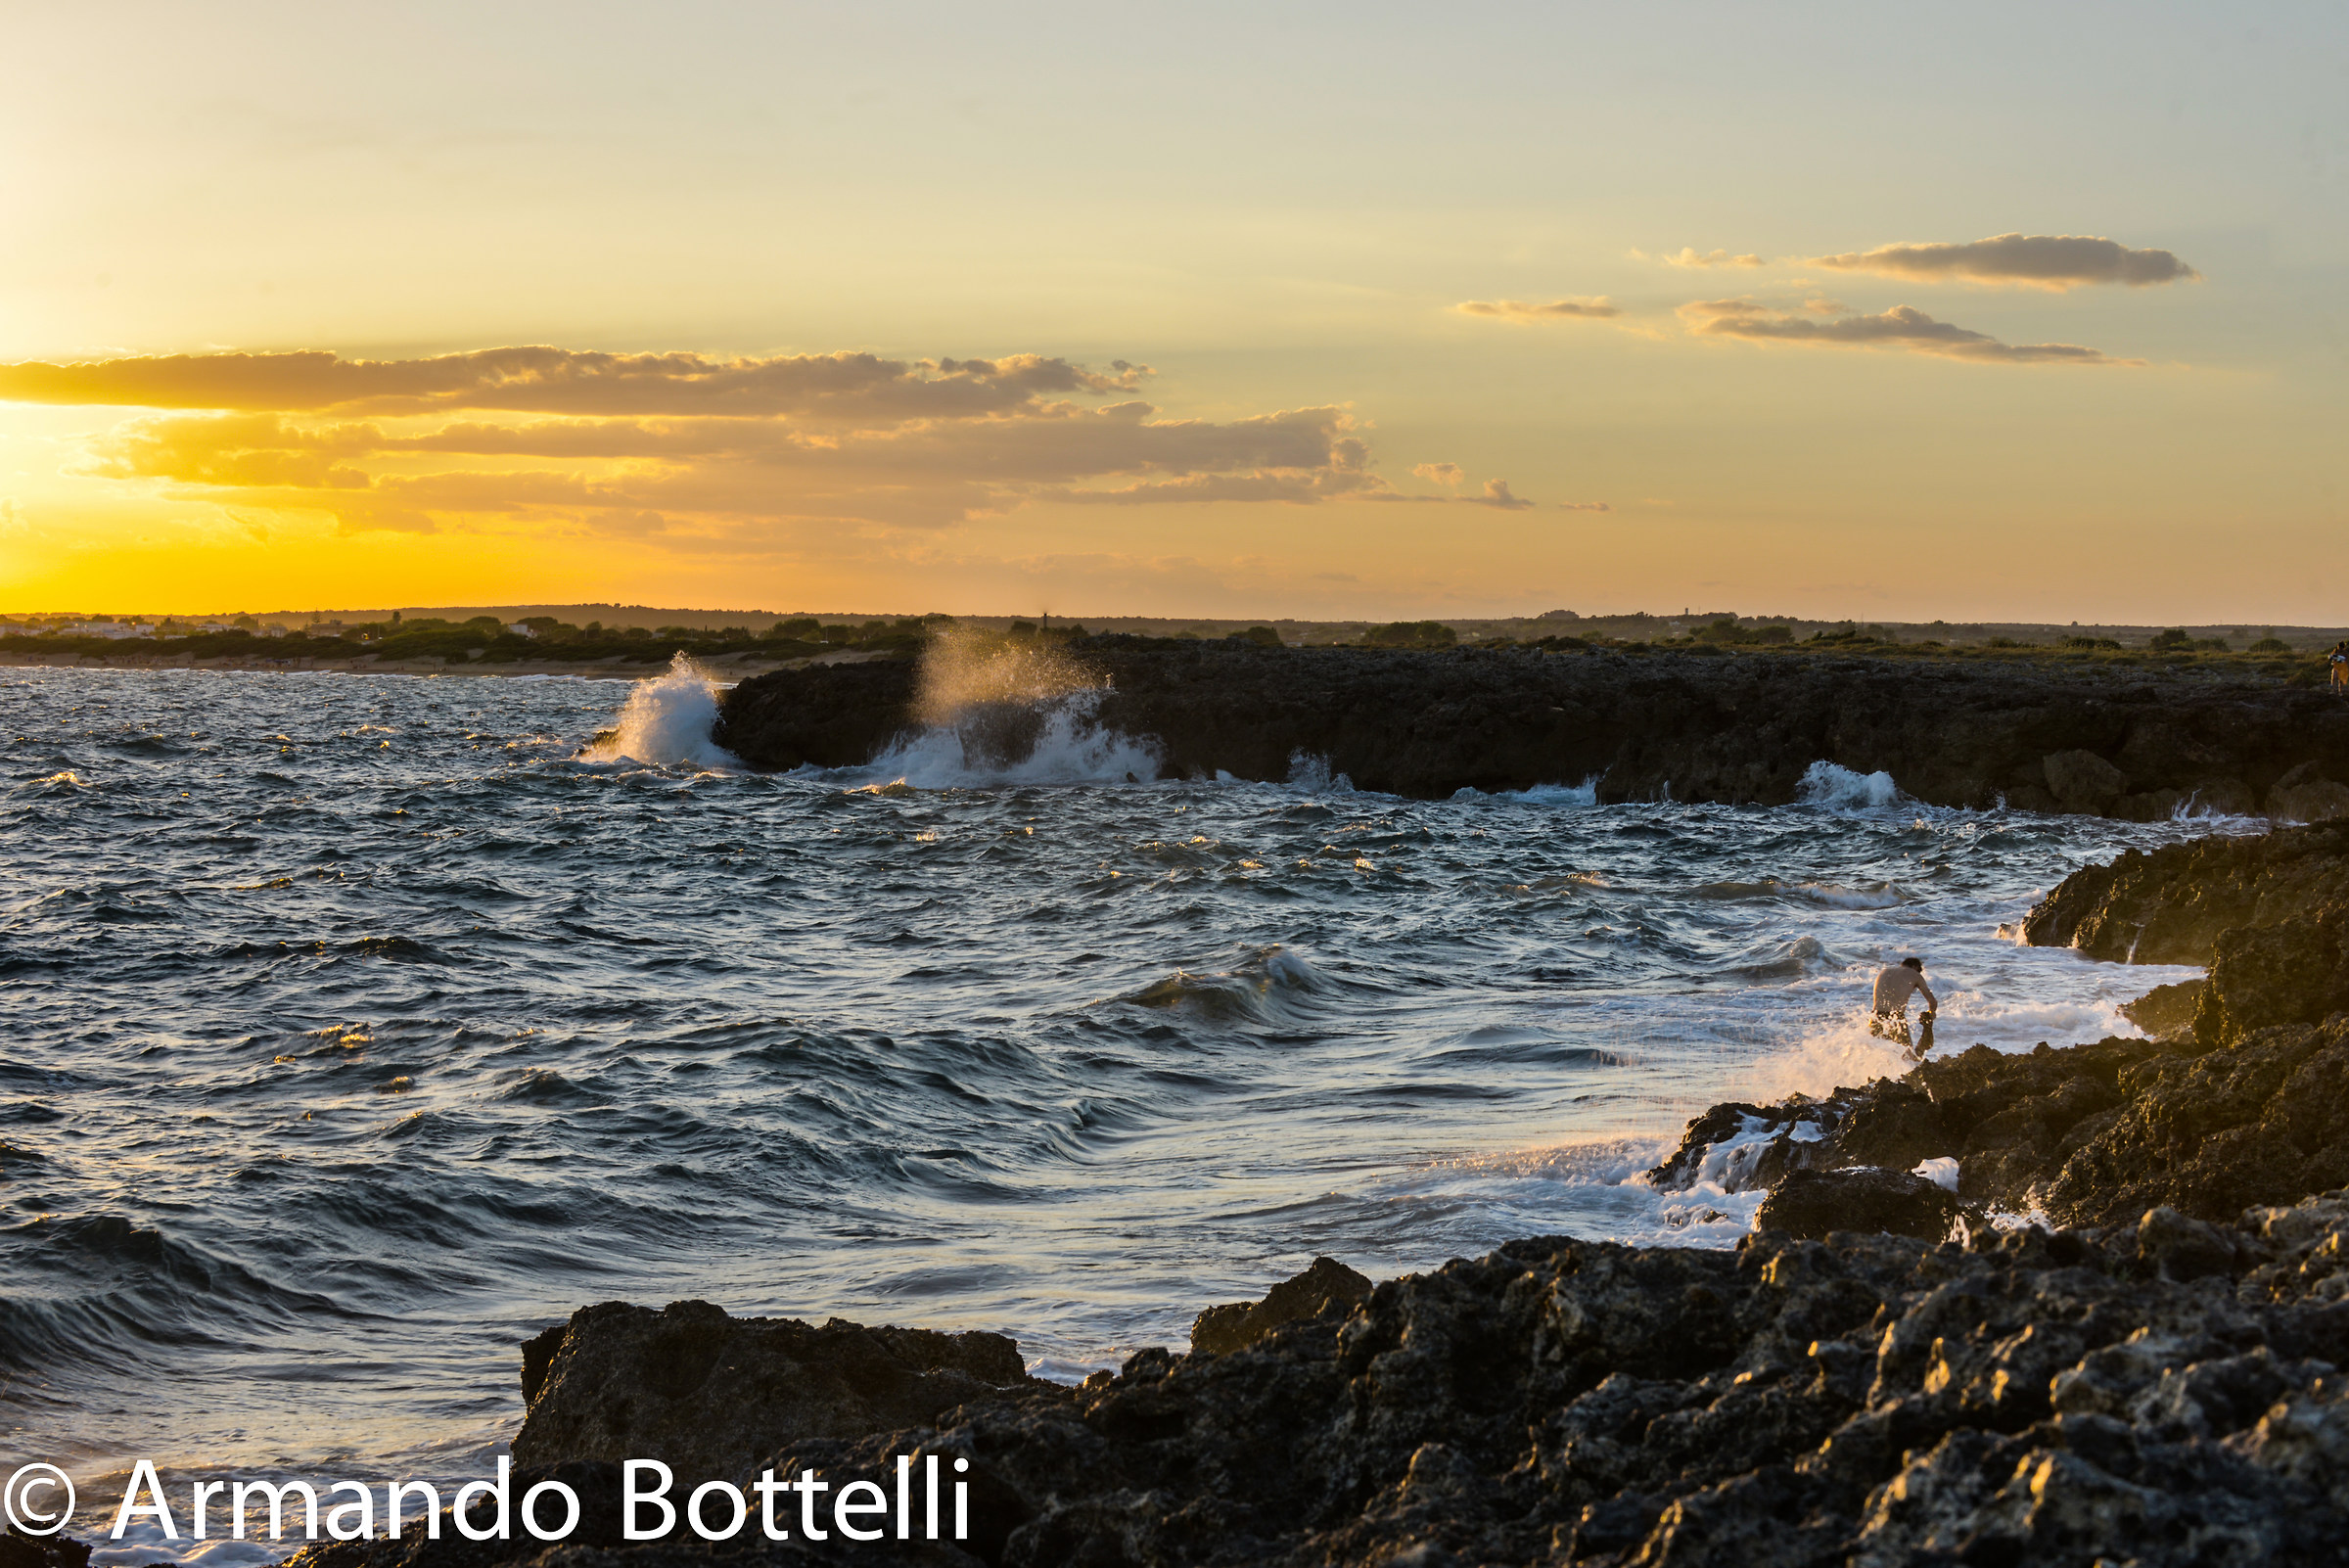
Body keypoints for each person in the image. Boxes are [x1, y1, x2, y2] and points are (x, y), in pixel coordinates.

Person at [1869, 956, 1938, 1059]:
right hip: (1895, 1018)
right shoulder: (1915, 974)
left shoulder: (1885, 971)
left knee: (1876, 1055)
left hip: (1875, 1017)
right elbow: (1932, 1001)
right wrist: (1931, 1013)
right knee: (1908, 1056)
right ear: (1915, 967)